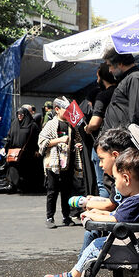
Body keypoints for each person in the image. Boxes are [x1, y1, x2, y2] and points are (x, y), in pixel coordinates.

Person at [42, 147, 139, 277]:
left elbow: (114, 220)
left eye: (116, 179)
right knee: (99, 244)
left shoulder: (137, 202)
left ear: (126, 179)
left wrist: (93, 216)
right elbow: (117, 215)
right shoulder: (135, 199)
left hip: (134, 249)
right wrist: (97, 212)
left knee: (96, 246)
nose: (115, 185)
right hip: (133, 244)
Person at [70, 127, 136, 252]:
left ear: (115, 156)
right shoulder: (124, 181)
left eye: (101, 159)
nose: (100, 165)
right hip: (126, 229)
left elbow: (111, 206)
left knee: (92, 233)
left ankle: (81, 271)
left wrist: (89, 205)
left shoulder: (124, 183)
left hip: (127, 235)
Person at [38, 97, 80, 228]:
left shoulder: (71, 125)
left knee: (66, 191)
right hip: (53, 164)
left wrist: (77, 145)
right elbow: (42, 143)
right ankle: (49, 217)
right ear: (57, 110)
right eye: (65, 110)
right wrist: (59, 140)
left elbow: (76, 140)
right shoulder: (51, 124)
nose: (68, 112)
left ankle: (66, 216)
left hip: (67, 163)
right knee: (52, 191)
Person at [85, 63, 118, 198]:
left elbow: (95, 123)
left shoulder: (103, 96)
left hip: (103, 143)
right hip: (119, 141)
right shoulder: (120, 92)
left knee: (103, 183)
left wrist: (87, 128)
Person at [101, 49, 139, 130]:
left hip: (123, 138)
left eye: (110, 65)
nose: (109, 70)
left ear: (120, 64)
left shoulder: (136, 78)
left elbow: (137, 117)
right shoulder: (129, 78)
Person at [4, 106, 41, 192]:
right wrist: (6, 147)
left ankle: (25, 186)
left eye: (22, 114)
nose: (19, 116)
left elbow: (37, 138)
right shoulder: (14, 123)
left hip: (28, 153)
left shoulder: (32, 125)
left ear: (26, 115)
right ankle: (13, 185)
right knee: (13, 168)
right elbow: (9, 136)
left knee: (26, 170)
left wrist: (37, 149)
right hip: (14, 152)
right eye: (18, 114)